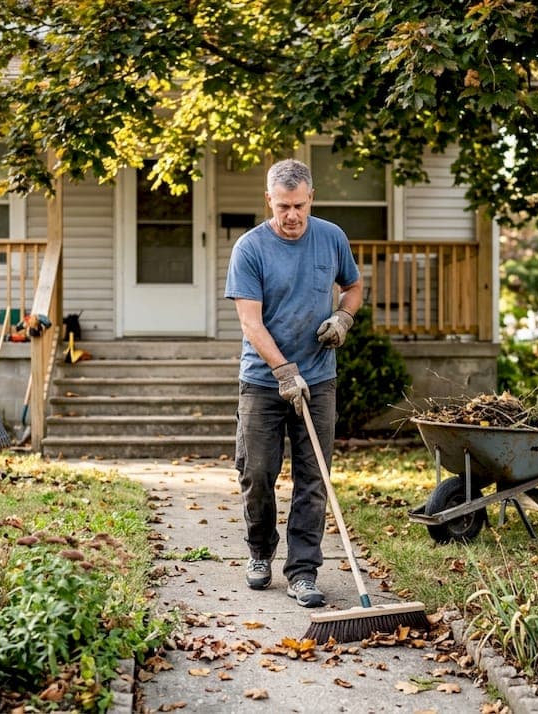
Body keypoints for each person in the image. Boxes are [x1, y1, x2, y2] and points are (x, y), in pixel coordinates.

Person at [223, 158, 363, 608]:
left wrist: (344, 315)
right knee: (257, 473)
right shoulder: (250, 248)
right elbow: (251, 322)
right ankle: (261, 552)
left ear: (311, 198)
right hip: (263, 382)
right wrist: (284, 371)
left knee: (313, 478)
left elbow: (353, 287)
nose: (292, 216)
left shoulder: (331, 238)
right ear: (269, 200)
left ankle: (303, 571)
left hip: (319, 379)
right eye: (283, 206)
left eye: (299, 205)